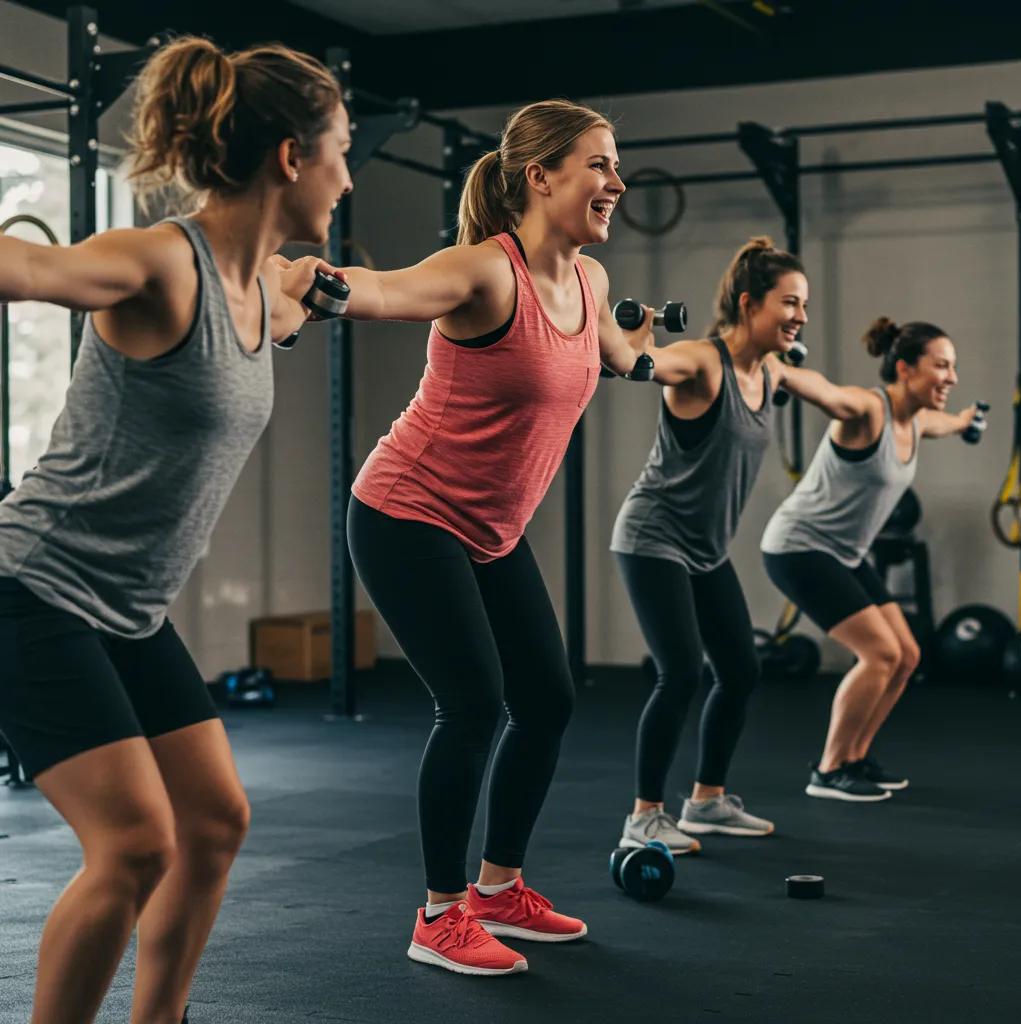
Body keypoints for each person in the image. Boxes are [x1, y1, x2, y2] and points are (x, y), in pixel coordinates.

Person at [0, 37, 351, 1023]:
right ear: (291, 157)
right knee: (136, 845)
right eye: (341, 150)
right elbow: (27, 268)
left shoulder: (259, 293)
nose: (349, 173)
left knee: (213, 821)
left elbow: (286, 302)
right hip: (34, 588)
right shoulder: (160, 262)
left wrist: (309, 288)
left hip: (127, 608)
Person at [341, 98, 674, 977]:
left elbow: (610, 350)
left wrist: (644, 357)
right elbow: (391, 291)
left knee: (549, 698)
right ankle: (440, 913)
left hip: (490, 530)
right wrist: (326, 287)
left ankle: (498, 889)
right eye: (600, 164)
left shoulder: (592, 282)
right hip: (407, 513)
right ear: (541, 176)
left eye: (616, 164)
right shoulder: (487, 273)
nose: (617, 181)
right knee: (477, 703)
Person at [610, 236, 805, 854]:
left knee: (741, 669)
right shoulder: (701, 361)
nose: (800, 316)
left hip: (705, 548)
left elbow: (824, 387)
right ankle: (644, 816)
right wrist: (639, 338)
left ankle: (707, 801)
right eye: (790, 303)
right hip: (652, 535)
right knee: (680, 672)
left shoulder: (770, 371)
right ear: (749, 304)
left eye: (803, 305)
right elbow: (640, 365)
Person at [761, 317, 977, 801]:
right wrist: (778, 370)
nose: (952, 377)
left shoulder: (917, 420)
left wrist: (965, 422)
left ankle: (855, 758)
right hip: (799, 547)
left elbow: (944, 423)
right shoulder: (867, 411)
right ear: (904, 368)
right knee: (880, 655)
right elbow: (828, 393)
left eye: (953, 367)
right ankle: (829, 769)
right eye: (941, 366)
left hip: (843, 553)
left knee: (907, 656)